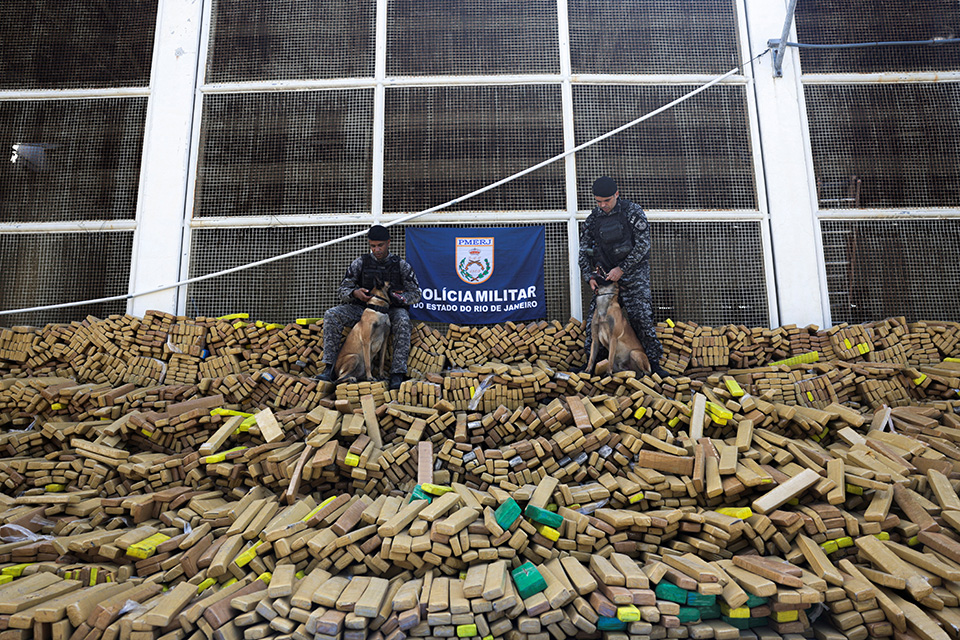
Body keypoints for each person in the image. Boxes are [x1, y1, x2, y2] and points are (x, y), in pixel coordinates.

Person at [579, 176, 666, 377]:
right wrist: (589, 276)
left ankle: (654, 366)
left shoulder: (632, 212)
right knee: (595, 323)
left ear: (616, 194)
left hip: (634, 277)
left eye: (607, 200)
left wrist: (622, 269)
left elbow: (643, 245)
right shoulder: (593, 219)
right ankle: (593, 366)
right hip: (607, 282)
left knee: (641, 319)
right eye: (598, 201)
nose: (603, 205)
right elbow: (584, 251)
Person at [317, 225, 422, 389]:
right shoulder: (361, 263)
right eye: (373, 246)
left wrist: (398, 298)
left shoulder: (401, 265)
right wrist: (355, 293)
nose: (377, 250)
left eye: (380, 245)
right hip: (363, 309)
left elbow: (416, 294)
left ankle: (397, 373)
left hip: (391, 310)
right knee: (332, 314)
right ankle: (329, 368)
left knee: (403, 320)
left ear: (388, 243)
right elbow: (342, 290)